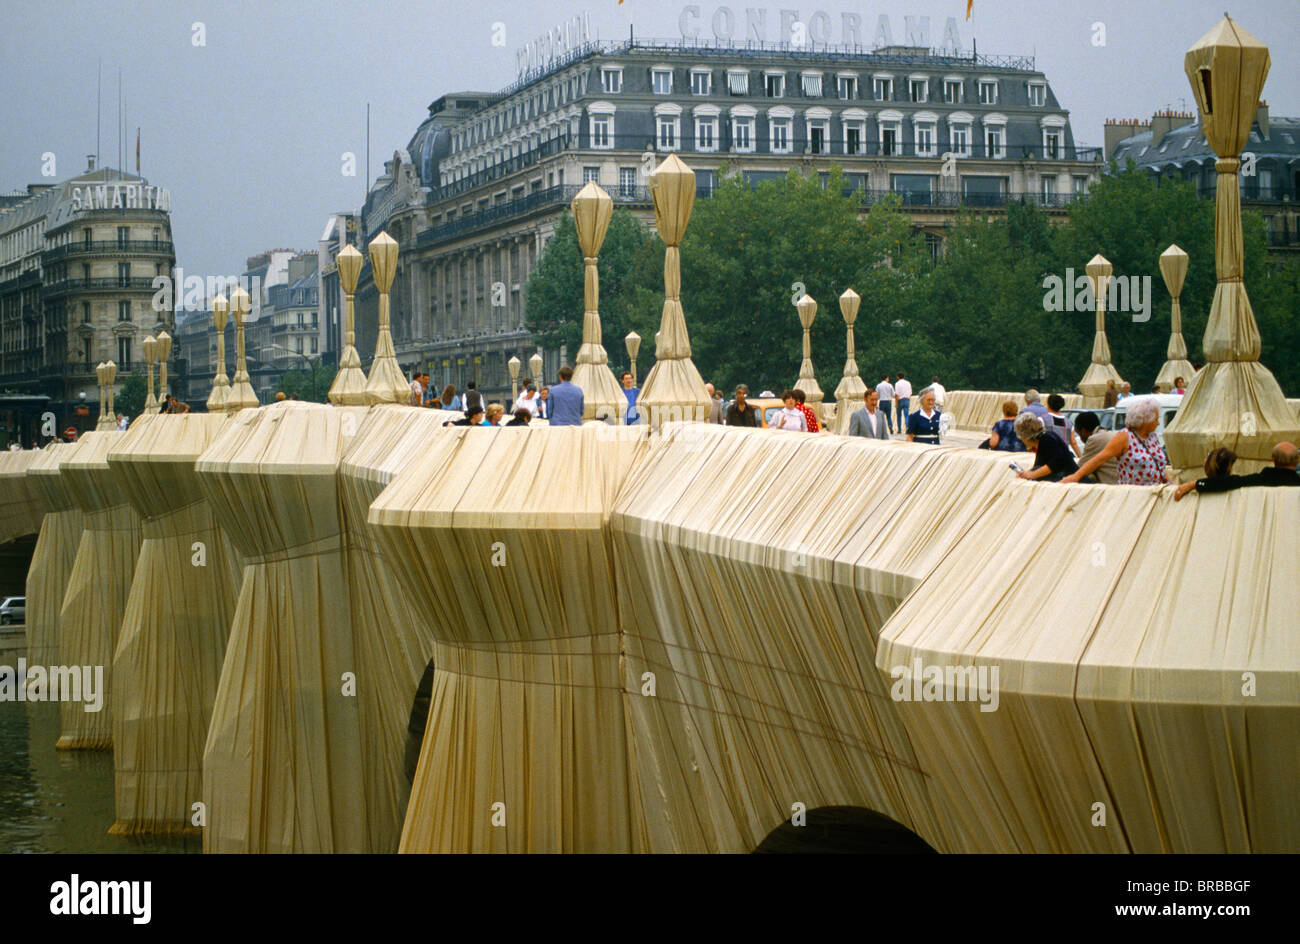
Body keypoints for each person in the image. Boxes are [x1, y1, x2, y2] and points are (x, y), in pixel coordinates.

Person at [1062, 396, 1168, 485]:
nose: (1158, 423)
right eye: (1156, 419)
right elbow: (1099, 458)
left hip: (1156, 493)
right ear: (1145, 419)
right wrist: (1076, 477)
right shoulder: (1124, 437)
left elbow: (1160, 467)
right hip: (1133, 495)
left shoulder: (1153, 437)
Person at [1174, 442, 1300, 500]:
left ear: (1273, 460)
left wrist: (1194, 484)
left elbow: (1225, 482)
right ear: (1297, 461)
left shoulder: (1260, 480)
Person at [1013, 413, 1078, 481]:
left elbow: (1056, 463)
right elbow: (1039, 467)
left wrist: (1032, 474)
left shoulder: (1047, 440)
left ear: (1025, 436)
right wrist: (1026, 474)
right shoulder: (1046, 438)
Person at [1074, 412, 1117, 484]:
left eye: (1079, 433)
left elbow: (1080, 469)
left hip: (1111, 485)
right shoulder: (1110, 434)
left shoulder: (1094, 439)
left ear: (1083, 430)